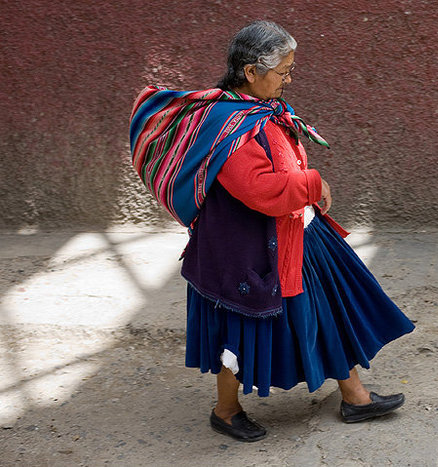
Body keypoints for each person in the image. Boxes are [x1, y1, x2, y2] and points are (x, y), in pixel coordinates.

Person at [130, 20, 415, 443]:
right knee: (240, 327)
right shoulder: (230, 125)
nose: (288, 79)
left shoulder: (254, 114)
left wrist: (305, 189)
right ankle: (226, 412)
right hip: (244, 250)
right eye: (283, 71)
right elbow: (261, 190)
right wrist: (313, 183)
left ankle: (354, 397)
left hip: (294, 234)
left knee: (330, 309)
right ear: (250, 72)